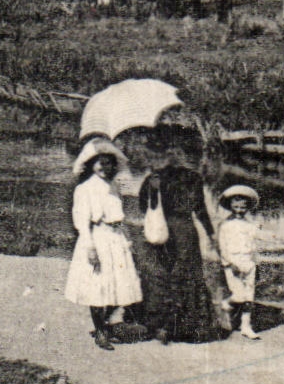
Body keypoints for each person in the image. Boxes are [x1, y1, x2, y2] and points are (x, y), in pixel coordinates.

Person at [137, 131, 224, 344]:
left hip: (161, 231)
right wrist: (211, 234)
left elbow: (144, 208)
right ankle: (189, 326)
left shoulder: (153, 178)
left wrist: (154, 192)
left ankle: (162, 325)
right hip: (184, 231)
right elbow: (200, 209)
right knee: (187, 276)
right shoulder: (192, 177)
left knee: (163, 276)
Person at [63, 137, 142, 351]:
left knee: (121, 285)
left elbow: (119, 217)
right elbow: (82, 221)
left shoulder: (114, 186)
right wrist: (90, 247)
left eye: (108, 162)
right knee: (98, 287)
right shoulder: (85, 189)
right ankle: (100, 330)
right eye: (100, 162)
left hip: (115, 238)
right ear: (91, 164)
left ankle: (105, 324)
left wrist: (127, 239)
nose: (104, 167)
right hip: (97, 238)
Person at [217, 184, 262, 340]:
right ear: (230, 206)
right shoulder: (225, 225)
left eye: (243, 206)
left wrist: (255, 264)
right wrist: (229, 263)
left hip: (248, 261)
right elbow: (223, 247)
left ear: (247, 208)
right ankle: (226, 304)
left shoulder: (250, 225)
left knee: (249, 296)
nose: (239, 209)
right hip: (233, 262)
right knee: (239, 296)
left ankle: (246, 326)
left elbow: (254, 246)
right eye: (236, 206)